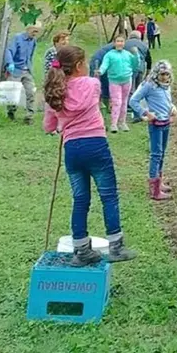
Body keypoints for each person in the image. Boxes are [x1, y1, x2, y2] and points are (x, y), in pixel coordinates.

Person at [43, 45, 137, 267]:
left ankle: (81, 250)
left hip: (72, 150)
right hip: (96, 145)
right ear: (78, 66)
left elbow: (48, 126)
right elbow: (89, 97)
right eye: (84, 62)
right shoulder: (92, 84)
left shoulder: (54, 91)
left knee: (80, 199)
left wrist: (59, 122)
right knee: (109, 195)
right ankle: (116, 246)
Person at [130, 60, 177, 201]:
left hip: (166, 122)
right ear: (156, 73)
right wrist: (145, 113)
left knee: (162, 153)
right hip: (155, 123)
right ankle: (154, 188)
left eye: (167, 74)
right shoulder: (149, 85)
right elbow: (133, 100)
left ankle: (159, 181)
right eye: (162, 74)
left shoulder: (166, 86)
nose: (165, 77)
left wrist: (172, 107)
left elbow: (165, 101)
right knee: (156, 154)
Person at [95, 36, 139, 133]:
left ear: (124, 43)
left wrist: (136, 55)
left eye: (122, 41)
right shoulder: (109, 55)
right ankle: (113, 124)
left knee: (124, 102)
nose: (120, 43)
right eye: (118, 41)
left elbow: (135, 65)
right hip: (114, 81)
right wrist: (100, 71)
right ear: (114, 43)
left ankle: (122, 123)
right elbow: (104, 65)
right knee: (117, 102)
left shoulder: (128, 54)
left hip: (127, 80)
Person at [4, 22, 42, 124]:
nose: (35, 33)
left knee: (31, 92)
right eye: (34, 31)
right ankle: (11, 113)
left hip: (27, 70)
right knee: (13, 93)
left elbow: (31, 55)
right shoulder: (17, 38)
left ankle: (29, 116)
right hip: (16, 69)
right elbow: (9, 51)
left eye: (37, 31)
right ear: (28, 29)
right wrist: (10, 63)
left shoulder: (33, 41)